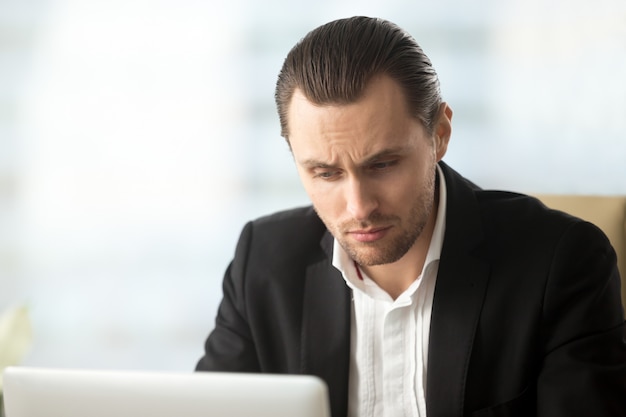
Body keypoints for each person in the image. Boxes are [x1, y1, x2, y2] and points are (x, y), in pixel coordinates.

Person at [196, 16, 626, 417]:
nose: (359, 207)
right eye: (325, 173)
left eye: (382, 165)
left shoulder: (561, 264)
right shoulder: (263, 264)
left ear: (440, 135)